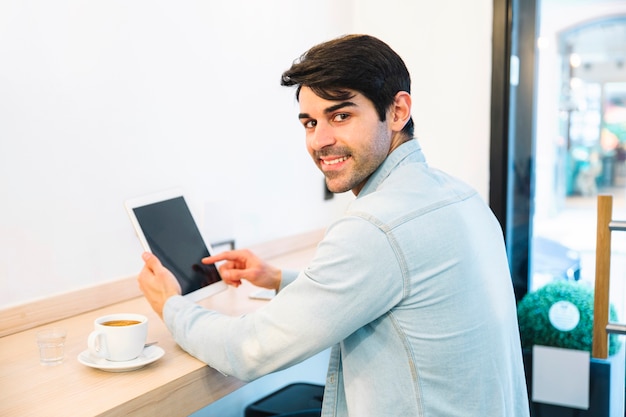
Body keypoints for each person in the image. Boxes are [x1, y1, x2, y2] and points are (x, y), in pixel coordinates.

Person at [138, 34, 530, 416]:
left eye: (341, 115)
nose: (320, 140)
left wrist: (170, 305)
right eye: (309, 123)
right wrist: (278, 278)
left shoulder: (375, 226)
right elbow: (395, 291)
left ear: (397, 111)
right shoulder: (460, 196)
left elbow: (248, 351)